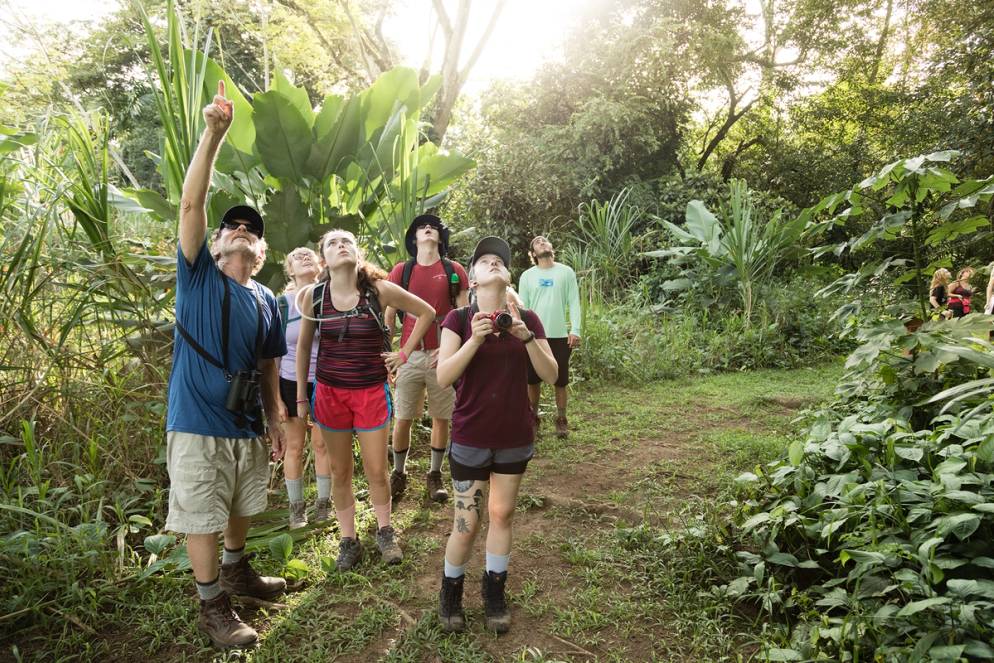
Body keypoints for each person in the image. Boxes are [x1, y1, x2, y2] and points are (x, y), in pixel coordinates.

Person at [166, 81, 287, 649]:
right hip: (196, 423)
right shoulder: (196, 276)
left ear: (261, 255)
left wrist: (278, 419)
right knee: (204, 514)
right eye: (233, 226)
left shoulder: (266, 299)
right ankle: (213, 604)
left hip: (245, 426)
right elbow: (191, 203)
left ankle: (238, 571)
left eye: (253, 231)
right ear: (214, 243)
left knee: (243, 504)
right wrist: (213, 134)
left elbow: (268, 369)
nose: (242, 230)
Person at [435, 237, 558, 634]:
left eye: (499, 261)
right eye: (484, 261)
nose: (493, 263)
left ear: (509, 277)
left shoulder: (529, 320)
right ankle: (450, 593)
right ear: (471, 280)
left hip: (513, 433)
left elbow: (551, 375)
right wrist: (474, 338)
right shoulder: (457, 320)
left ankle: (494, 593)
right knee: (466, 524)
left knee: (502, 514)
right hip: (471, 436)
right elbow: (444, 376)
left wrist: (524, 337)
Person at [295, 229, 435, 570]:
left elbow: (427, 312)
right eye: (332, 243)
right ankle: (348, 540)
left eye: (347, 242)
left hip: (371, 392)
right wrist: (302, 397)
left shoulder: (379, 291)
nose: (340, 245)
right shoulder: (313, 296)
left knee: (376, 469)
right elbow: (303, 348)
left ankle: (385, 532)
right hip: (330, 394)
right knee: (341, 471)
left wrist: (403, 354)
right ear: (324, 259)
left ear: (357, 254)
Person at [384, 214, 469, 503]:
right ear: (414, 238)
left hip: (440, 355)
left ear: (440, 238)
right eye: (422, 227)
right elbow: (389, 315)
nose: (428, 229)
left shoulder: (454, 270)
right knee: (403, 417)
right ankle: (399, 473)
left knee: (441, 417)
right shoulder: (401, 271)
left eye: (433, 227)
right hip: (409, 355)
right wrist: (390, 351)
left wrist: (451, 350)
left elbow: (463, 315)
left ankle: (434, 475)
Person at [278, 247, 331, 529]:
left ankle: (324, 505)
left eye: (308, 253)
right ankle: (296, 509)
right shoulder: (282, 304)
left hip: (325, 380)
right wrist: (275, 398)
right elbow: (272, 354)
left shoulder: (331, 297)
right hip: (288, 381)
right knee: (295, 447)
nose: (302, 256)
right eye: (295, 255)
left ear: (320, 263)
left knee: (322, 445)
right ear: (289, 270)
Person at [518, 235, 582, 438]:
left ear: (552, 247)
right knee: (532, 380)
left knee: (560, 380)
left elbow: (574, 302)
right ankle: (533, 418)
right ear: (533, 254)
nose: (542, 242)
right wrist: (522, 334)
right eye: (537, 242)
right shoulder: (527, 276)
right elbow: (522, 309)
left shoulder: (566, 272)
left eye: (545, 240)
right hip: (534, 337)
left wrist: (576, 330)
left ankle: (561, 419)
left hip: (559, 336)